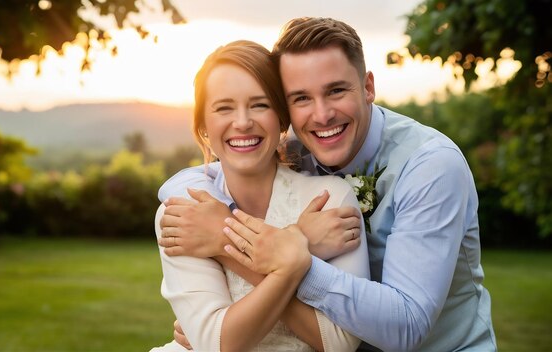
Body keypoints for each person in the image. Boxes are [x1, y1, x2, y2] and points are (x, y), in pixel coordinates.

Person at [158, 17, 497, 351]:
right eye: (301, 98)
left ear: (367, 87)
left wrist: (271, 249)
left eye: (335, 91)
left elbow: (406, 328)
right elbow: (194, 181)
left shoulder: (431, 166)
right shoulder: (296, 149)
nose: (321, 115)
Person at [152, 40, 370, 351]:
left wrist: (225, 246)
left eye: (260, 104)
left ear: (282, 118)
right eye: (224, 107)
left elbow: (339, 341)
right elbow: (217, 343)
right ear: (203, 126)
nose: (242, 122)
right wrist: (294, 255)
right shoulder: (183, 214)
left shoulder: (331, 199)